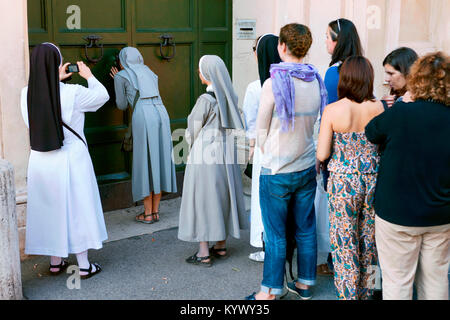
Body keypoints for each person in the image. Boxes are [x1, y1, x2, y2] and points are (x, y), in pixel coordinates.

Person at [246, 23, 327, 300]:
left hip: (277, 169)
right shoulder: (315, 79)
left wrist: (257, 148)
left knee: (276, 234)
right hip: (305, 165)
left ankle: (269, 291)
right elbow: (317, 121)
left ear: (282, 47)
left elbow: (260, 128)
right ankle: (305, 284)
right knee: (305, 229)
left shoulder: (273, 83)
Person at [365, 51, 450, 300]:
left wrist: (403, 102)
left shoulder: (402, 113)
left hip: (397, 214)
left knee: (397, 282)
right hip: (441, 212)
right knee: (435, 280)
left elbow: (372, 132)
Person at [20, 43, 109, 278]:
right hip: (71, 158)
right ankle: (84, 265)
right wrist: (88, 75)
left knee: (52, 210)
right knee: (76, 209)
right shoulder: (73, 93)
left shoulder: (25, 94)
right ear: (55, 65)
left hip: (41, 160)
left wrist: (54, 80)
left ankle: (56, 261)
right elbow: (102, 97)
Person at [317, 56, 384, 300]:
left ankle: (348, 296)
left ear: (344, 79)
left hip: (344, 183)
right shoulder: (379, 107)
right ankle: (369, 292)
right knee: (370, 242)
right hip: (373, 179)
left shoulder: (333, 110)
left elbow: (323, 153)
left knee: (345, 243)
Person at [178, 55, 247, 267]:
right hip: (226, 152)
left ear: (207, 74)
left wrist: (190, 146)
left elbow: (192, 129)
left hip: (205, 152)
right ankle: (221, 245)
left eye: (200, 70)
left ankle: (203, 252)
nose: (199, 73)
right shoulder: (229, 97)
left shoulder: (205, 100)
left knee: (202, 198)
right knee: (222, 195)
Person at [317, 18, 364, 276]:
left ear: (338, 41)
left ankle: (338, 263)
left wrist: (321, 155)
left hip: (339, 150)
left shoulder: (334, 72)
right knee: (363, 221)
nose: (325, 41)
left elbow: (329, 115)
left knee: (340, 215)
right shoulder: (362, 67)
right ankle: (364, 274)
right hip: (364, 152)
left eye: (327, 36)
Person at [110, 47, 177, 224]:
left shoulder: (120, 76)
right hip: (162, 113)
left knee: (145, 163)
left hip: (144, 116)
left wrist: (117, 80)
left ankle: (147, 214)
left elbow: (122, 105)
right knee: (159, 160)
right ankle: (155, 212)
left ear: (122, 60)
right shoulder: (149, 71)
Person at [243, 34, 281, 263]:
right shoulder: (288, 82)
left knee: (261, 198)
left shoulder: (255, 87)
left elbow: (251, 124)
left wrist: (251, 148)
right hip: (287, 147)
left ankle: (264, 243)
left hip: (264, 148)